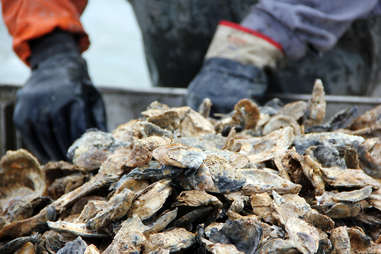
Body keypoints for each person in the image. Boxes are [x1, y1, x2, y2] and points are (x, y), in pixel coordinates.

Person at [2, 0, 381, 162]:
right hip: (178, 45)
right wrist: (49, 43)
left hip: (335, 43)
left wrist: (263, 38)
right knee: (183, 140)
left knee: (339, 151)